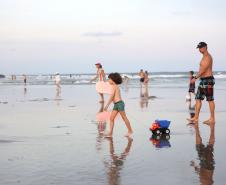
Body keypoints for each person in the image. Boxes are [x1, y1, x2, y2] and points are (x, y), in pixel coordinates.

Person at [188, 42, 215, 125]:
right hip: (203, 80)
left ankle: (212, 119)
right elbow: (202, 70)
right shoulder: (204, 57)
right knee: (198, 99)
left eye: (201, 47)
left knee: (210, 100)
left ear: (206, 47)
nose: (199, 49)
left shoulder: (208, 57)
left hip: (208, 80)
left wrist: (195, 78)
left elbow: (203, 69)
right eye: (199, 48)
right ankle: (196, 118)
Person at [104, 73, 133, 138]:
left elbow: (112, 97)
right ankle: (110, 133)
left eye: (109, 79)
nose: (108, 80)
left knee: (124, 117)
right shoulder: (114, 86)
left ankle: (130, 130)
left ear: (112, 79)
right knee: (111, 118)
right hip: (116, 104)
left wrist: (107, 106)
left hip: (119, 104)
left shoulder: (114, 86)